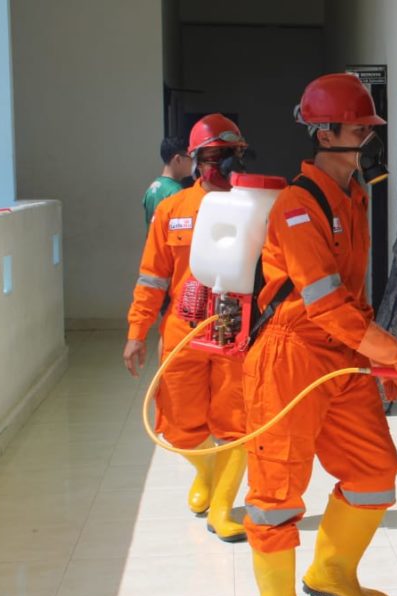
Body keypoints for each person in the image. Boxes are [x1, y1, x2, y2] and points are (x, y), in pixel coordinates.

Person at [242, 73, 397, 596]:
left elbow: (350, 304)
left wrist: (379, 361)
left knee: (374, 470)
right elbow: (327, 305)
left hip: (341, 354)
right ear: (324, 131)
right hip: (291, 355)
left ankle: (331, 572)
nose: (366, 135)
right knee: (278, 487)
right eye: (359, 126)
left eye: (368, 127)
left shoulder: (353, 194)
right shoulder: (297, 206)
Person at [123, 114, 251, 543]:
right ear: (194, 159)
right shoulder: (172, 210)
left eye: (230, 155)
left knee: (238, 422)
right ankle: (208, 472)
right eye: (213, 155)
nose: (222, 164)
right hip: (185, 331)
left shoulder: (257, 207)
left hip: (239, 332)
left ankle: (222, 507)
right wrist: (136, 333)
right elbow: (151, 277)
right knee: (179, 424)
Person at [142, 136, 190, 225]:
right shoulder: (176, 191)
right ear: (178, 159)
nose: (193, 162)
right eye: (190, 157)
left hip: (152, 238)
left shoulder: (153, 186)